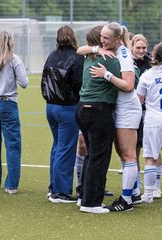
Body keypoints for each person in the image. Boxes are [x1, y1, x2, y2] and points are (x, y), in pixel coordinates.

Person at [85, 22, 142, 212]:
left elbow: (129, 85)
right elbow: (81, 49)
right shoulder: (112, 49)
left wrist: (106, 74)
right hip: (119, 108)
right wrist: (97, 48)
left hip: (127, 109)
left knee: (127, 155)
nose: (102, 40)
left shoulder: (124, 54)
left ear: (117, 39)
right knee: (123, 154)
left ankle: (126, 200)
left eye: (106, 38)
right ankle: (133, 193)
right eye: (101, 36)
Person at [75, 25, 121, 214]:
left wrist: (95, 49)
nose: (104, 41)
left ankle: (83, 197)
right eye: (102, 38)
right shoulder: (108, 58)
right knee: (99, 157)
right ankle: (91, 203)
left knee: (91, 155)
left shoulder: (90, 55)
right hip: (98, 110)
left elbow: (81, 49)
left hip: (83, 108)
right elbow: (127, 83)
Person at [41, 25, 84, 203]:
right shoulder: (77, 56)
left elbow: (44, 81)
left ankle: (53, 187)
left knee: (57, 146)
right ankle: (61, 192)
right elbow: (79, 83)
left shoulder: (52, 55)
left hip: (51, 106)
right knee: (66, 149)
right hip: (67, 108)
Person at [0, 31, 28, 194]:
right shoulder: (14, 59)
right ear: (10, 42)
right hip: (8, 104)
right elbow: (24, 83)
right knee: (13, 145)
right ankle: (11, 185)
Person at [136, 42, 162, 203]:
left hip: (153, 119)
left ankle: (150, 195)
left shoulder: (147, 75)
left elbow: (138, 100)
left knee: (151, 157)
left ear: (154, 55)